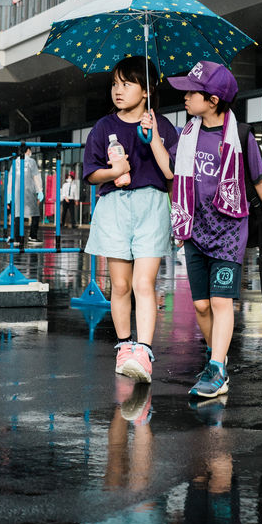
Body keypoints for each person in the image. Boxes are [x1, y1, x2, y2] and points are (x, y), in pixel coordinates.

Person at [144, 60, 262, 400]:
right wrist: (152, 138)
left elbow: (260, 181)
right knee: (201, 306)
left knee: (220, 301)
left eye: (191, 93)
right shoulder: (188, 133)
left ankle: (216, 369)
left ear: (212, 100)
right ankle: (217, 359)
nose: (184, 97)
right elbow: (169, 170)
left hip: (229, 230)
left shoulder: (241, 136)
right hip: (194, 228)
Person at [83, 55, 178, 384]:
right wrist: (115, 171)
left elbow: (171, 173)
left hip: (152, 205)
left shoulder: (163, 125)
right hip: (114, 207)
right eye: (114, 84)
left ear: (147, 89)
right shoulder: (103, 127)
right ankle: (124, 347)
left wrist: (154, 136)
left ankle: (144, 352)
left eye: (126, 84)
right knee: (121, 285)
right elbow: (91, 173)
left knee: (143, 284)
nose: (118, 91)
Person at [9, 147, 44, 244]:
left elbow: (11, 178)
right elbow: (36, 177)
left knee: (18, 214)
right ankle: (33, 236)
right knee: (35, 214)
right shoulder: (31, 161)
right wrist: (40, 190)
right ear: (28, 150)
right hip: (29, 190)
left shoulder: (15, 162)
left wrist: (9, 193)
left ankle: (17, 239)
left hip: (17, 191)